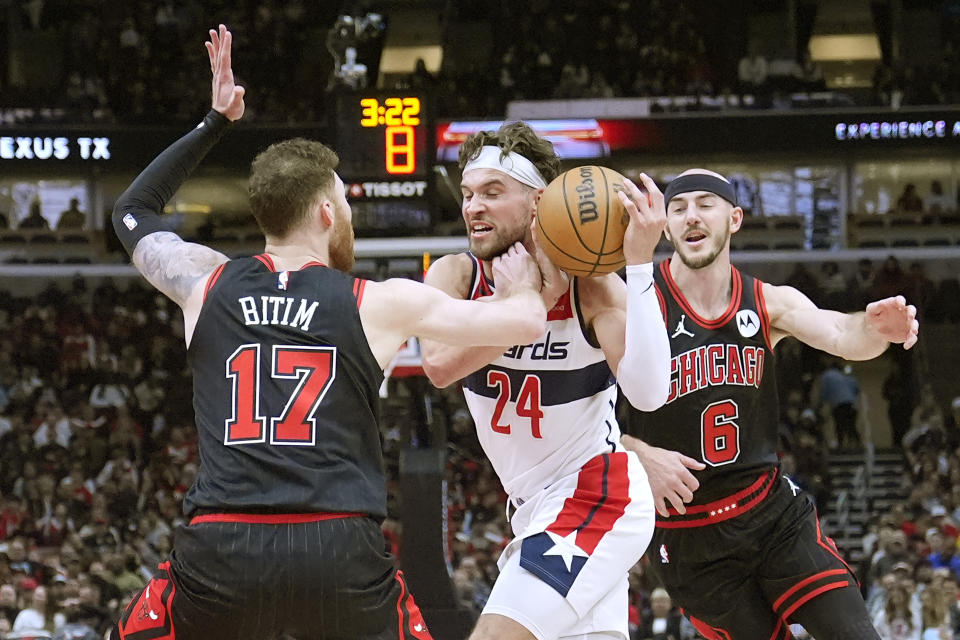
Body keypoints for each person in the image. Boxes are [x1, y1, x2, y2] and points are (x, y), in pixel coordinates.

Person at [109, 26, 550, 640]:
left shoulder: (202, 283)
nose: (348, 214)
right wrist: (524, 279)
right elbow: (526, 321)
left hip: (221, 546)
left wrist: (214, 121)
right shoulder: (378, 301)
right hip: (338, 546)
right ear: (323, 212)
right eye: (344, 203)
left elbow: (131, 211)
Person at [421, 121, 698, 640]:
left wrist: (639, 267)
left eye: (492, 192)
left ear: (538, 202)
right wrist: (525, 306)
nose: (473, 207)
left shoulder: (590, 287)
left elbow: (650, 391)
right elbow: (438, 365)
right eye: (467, 194)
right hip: (532, 511)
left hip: (595, 496)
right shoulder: (455, 276)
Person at [624, 168, 919, 640]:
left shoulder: (767, 301)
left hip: (771, 514)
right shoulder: (637, 304)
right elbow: (586, 411)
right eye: (677, 208)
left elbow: (843, 333)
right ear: (664, 224)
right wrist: (636, 452)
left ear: (734, 219)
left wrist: (875, 328)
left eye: (705, 204)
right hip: (689, 536)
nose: (690, 216)